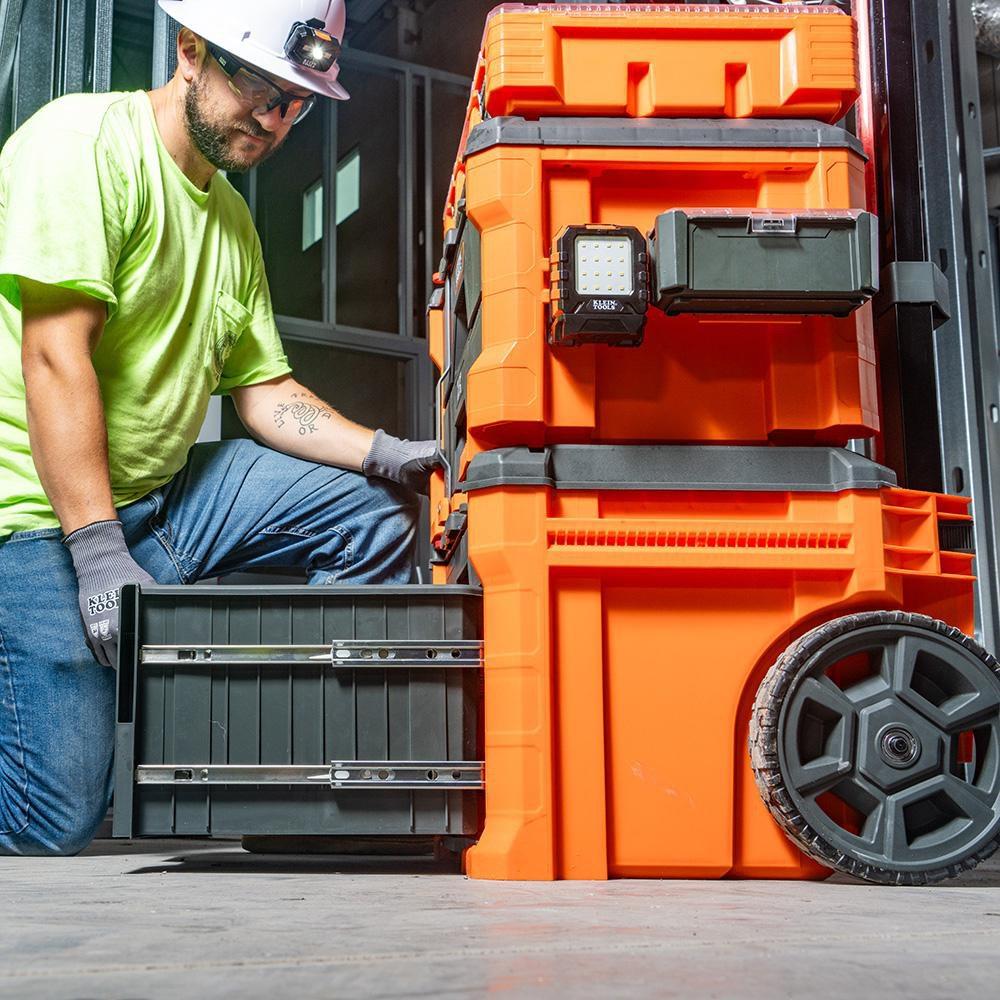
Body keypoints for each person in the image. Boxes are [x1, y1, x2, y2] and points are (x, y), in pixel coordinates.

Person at [0, 0, 439, 856]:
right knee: (53, 824)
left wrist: (388, 453)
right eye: (262, 89)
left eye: (295, 102)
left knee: (371, 516)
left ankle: (313, 793)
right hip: (41, 523)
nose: (275, 119)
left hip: (167, 500)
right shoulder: (82, 146)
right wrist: (95, 553)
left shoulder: (232, 220)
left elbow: (264, 392)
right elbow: (55, 357)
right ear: (190, 51)